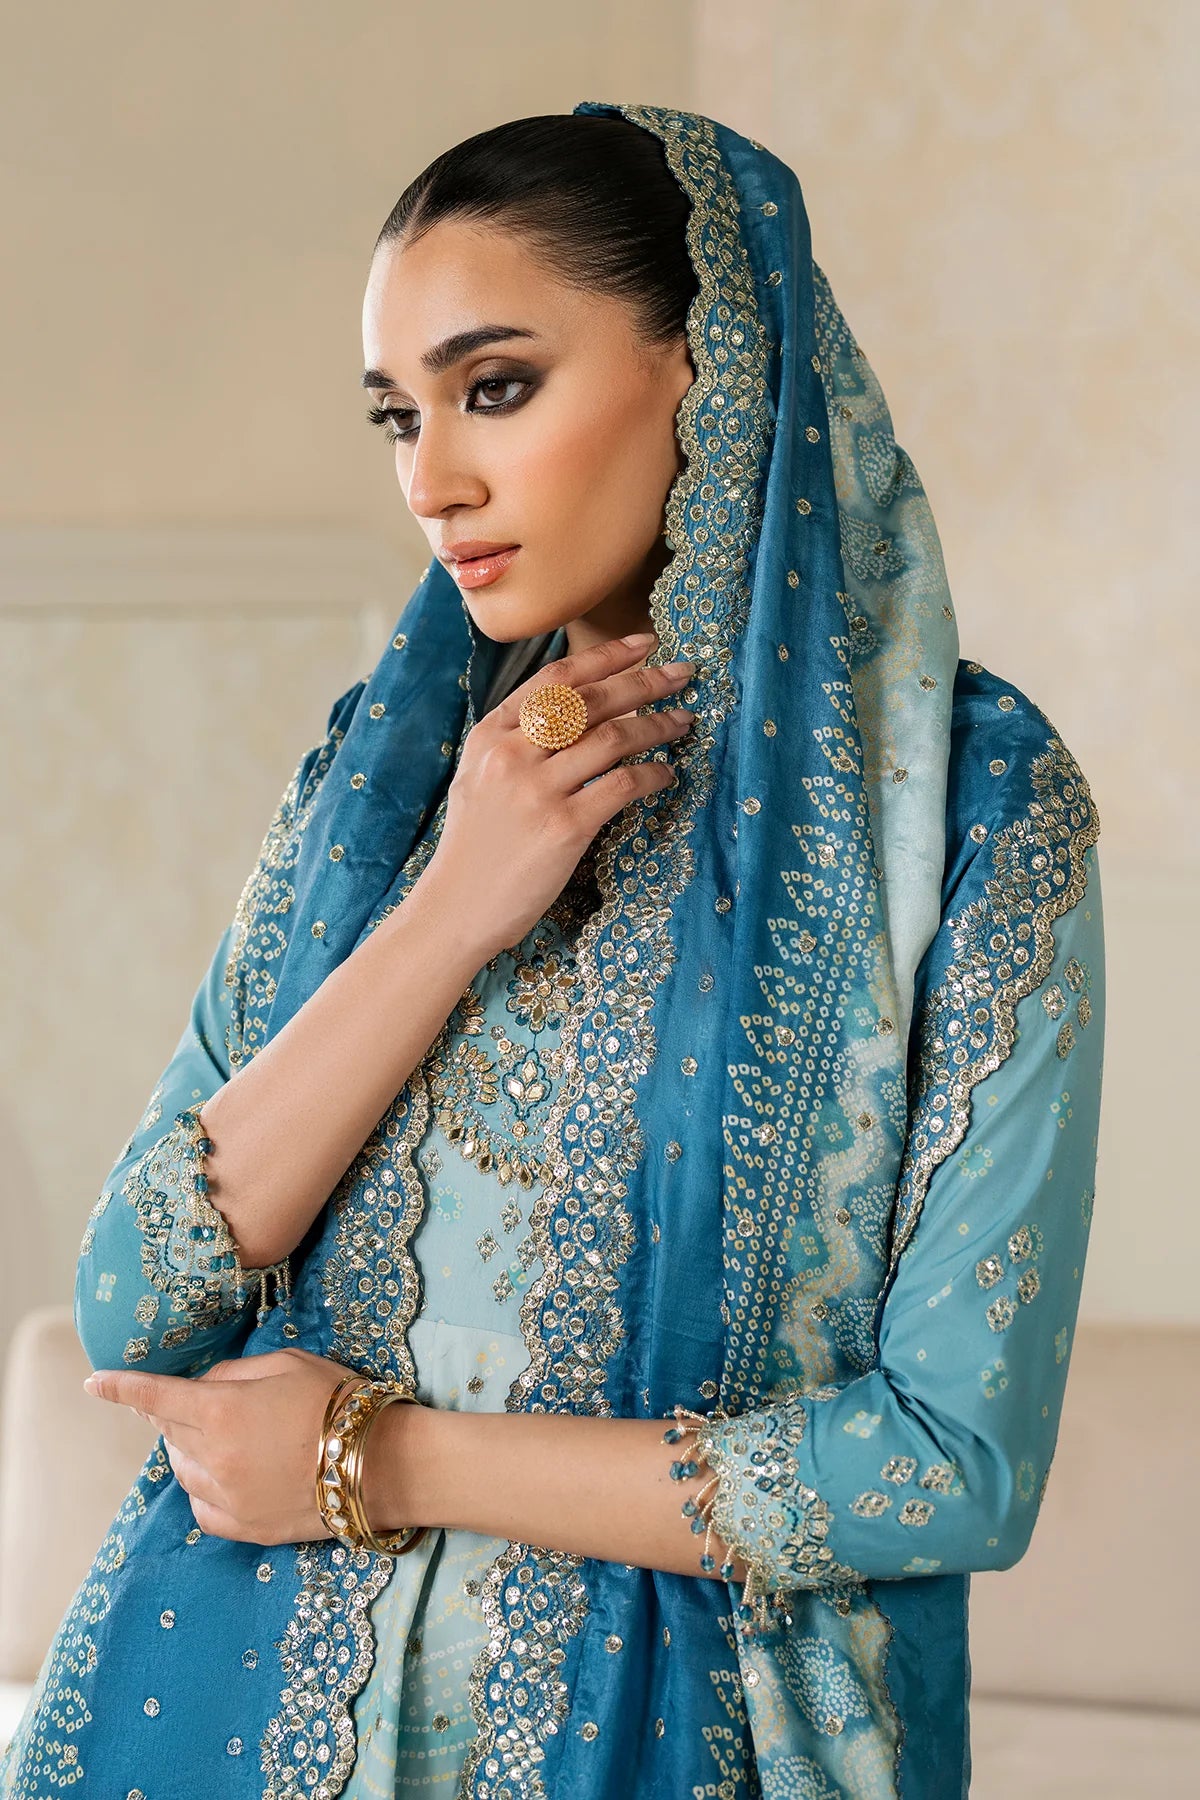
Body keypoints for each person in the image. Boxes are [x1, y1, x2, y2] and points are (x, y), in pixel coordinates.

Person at [0, 99, 1105, 1800]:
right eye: (399, 413)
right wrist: (457, 902)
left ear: (714, 370)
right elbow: (132, 1305)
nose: (430, 479)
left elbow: (949, 1466)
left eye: (495, 387)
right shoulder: (386, 787)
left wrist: (382, 1460)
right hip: (231, 1716)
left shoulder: (964, 808)